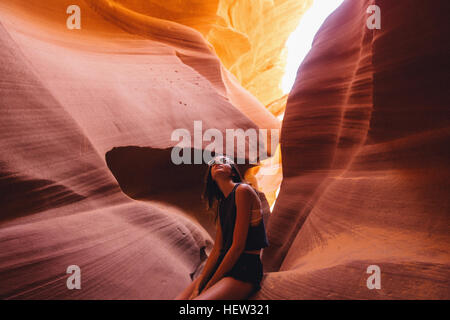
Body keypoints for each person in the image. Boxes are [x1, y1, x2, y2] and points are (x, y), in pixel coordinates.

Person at [175, 155, 269, 300]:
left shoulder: (243, 190)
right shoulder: (223, 204)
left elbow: (238, 246)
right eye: (213, 164)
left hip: (245, 268)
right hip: (225, 265)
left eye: (224, 162)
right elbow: (218, 249)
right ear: (212, 176)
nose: (217, 164)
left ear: (232, 172)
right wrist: (200, 282)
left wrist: (207, 287)